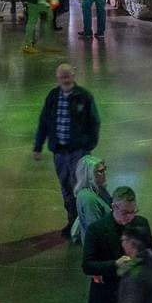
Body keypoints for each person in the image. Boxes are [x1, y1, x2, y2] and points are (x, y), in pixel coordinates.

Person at [32, 64, 101, 231]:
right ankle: (72, 222)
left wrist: (88, 145)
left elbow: (94, 122)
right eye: (62, 77)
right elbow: (44, 122)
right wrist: (38, 146)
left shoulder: (84, 97)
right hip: (60, 153)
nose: (65, 80)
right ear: (58, 78)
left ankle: (84, 224)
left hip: (78, 152)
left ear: (73, 76)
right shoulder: (53, 97)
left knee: (80, 188)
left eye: (67, 76)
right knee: (65, 187)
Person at [81, 186, 137, 303]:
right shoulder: (97, 230)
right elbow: (87, 265)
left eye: (133, 211)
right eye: (126, 213)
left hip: (132, 298)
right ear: (114, 207)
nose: (130, 217)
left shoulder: (139, 225)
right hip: (108, 299)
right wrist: (115, 264)